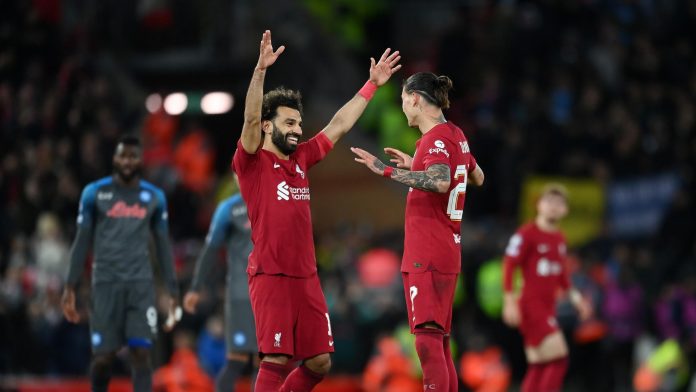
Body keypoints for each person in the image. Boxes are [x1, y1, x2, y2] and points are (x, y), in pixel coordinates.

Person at [233, 30, 401, 392]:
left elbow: (338, 126)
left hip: (306, 276)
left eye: (298, 123)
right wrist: (260, 71)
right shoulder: (252, 162)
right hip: (271, 275)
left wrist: (371, 86)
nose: (296, 130)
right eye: (288, 123)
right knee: (276, 358)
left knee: (320, 363)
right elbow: (248, 120)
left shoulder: (302, 158)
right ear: (267, 126)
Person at [351, 71, 485, 392]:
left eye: (402, 100)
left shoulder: (435, 139)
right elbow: (477, 176)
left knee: (426, 343)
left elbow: (439, 182)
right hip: (447, 249)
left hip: (428, 251)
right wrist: (417, 164)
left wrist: (387, 170)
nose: (402, 107)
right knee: (438, 343)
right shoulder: (455, 134)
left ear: (414, 98)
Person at [61, 135, 180, 392]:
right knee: (103, 359)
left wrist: (172, 290)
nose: (127, 161)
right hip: (105, 285)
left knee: (141, 354)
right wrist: (70, 286)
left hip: (140, 286)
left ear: (140, 159)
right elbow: (81, 242)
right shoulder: (95, 193)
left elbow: (162, 246)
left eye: (132, 156)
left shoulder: (154, 197)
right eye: (122, 156)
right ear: (115, 158)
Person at [501, 184, 592, 392]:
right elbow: (509, 264)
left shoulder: (559, 238)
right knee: (559, 358)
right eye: (549, 201)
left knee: (540, 365)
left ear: (565, 210)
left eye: (559, 203)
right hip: (531, 306)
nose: (553, 206)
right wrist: (509, 301)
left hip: (548, 306)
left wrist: (578, 301)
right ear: (539, 205)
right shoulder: (527, 233)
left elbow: (562, 276)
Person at [183, 182, 258, 392]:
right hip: (241, 294)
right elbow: (210, 249)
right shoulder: (228, 209)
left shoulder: (274, 201)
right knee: (239, 358)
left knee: (266, 361)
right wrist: (196, 287)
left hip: (269, 295)